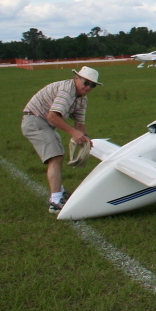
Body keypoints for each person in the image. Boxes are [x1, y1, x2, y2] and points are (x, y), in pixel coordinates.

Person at [21, 66, 101, 213]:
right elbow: (52, 116)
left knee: (58, 155)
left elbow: (79, 124)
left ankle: (60, 192)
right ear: (76, 78)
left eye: (93, 85)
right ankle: (56, 202)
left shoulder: (82, 99)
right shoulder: (66, 91)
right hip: (35, 120)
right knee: (55, 156)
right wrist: (74, 133)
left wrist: (86, 140)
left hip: (45, 123)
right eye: (86, 82)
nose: (88, 87)